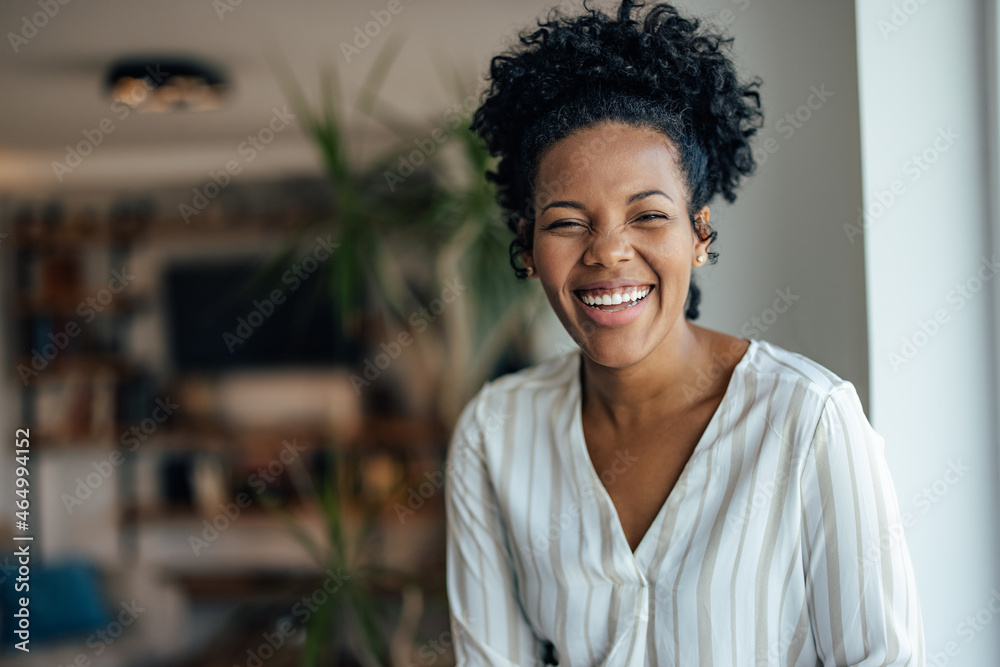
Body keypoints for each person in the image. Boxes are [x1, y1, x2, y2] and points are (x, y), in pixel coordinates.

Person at [444, 1, 925, 664]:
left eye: (648, 215)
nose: (608, 252)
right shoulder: (495, 435)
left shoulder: (809, 422)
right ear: (526, 245)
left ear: (698, 233)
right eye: (566, 222)